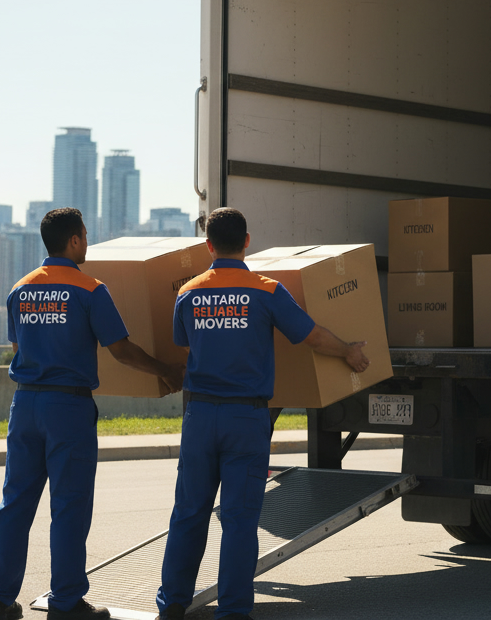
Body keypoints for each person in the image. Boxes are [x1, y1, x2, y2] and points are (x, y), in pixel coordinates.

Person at [155, 207, 370, 620]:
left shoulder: (189, 292)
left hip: (200, 417)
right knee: (238, 519)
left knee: (188, 513)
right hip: (246, 418)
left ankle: (173, 604)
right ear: (247, 241)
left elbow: (184, 343)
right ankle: (233, 611)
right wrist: (348, 352)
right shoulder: (266, 290)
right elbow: (311, 336)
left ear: (209, 245)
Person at [0, 208, 184, 620]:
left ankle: (0, 600)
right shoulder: (90, 289)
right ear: (74, 240)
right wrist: (165, 370)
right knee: (70, 506)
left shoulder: (20, 290)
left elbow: (21, 345)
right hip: (67, 407)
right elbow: (122, 350)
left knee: (15, 504)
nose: (88, 243)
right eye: (86, 236)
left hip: (25, 404)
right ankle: (67, 602)